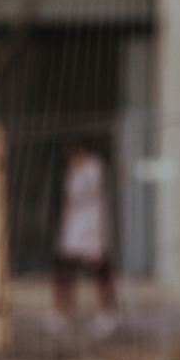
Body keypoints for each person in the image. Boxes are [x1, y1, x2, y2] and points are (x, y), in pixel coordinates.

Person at [52, 139, 118, 335]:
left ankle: (108, 313)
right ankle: (63, 311)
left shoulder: (92, 170)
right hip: (75, 231)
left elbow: (84, 195)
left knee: (101, 274)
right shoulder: (73, 172)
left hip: (92, 230)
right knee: (64, 270)